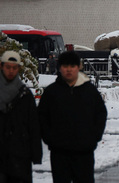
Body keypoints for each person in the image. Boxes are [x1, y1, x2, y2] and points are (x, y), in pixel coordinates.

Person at [37, 50, 107, 183]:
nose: (69, 70)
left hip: (84, 151)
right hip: (59, 151)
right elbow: (42, 116)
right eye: (65, 66)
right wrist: (49, 139)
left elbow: (100, 114)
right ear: (60, 68)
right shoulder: (52, 92)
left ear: (78, 67)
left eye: (72, 66)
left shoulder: (89, 91)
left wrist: (94, 137)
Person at [0, 50, 43, 182]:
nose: (11, 71)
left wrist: (36, 153)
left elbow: (33, 126)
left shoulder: (25, 95)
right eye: (8, 67)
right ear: (2, 66)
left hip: (20, 155)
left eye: (14, 67)